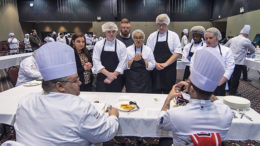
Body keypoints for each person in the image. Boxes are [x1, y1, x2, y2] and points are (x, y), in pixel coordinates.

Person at [14, 42, 119, 145]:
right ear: (59, 86)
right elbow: (105, 133)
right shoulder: (79, 107)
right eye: (75, 80)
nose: (80, 82)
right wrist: (113, 116)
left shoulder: (25, 101)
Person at [159, 48, 233, 146]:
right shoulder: (226, 112)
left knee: (164, 139)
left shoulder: (175, 114)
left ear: (192, 90)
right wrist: (196, 87)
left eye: (189, 82)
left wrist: (168, 98)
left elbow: (161, 122)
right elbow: (213, 98)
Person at [147, 14, 182, 94]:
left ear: (167, 24)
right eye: (159, 25)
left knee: (169, 92)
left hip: (169, 70)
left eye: (163, 25)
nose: (161, 27)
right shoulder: (152, 36)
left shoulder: (174, 36)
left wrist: (165, 64)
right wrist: (155, 64)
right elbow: (148, 53)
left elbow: (177, 53)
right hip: (155, 70)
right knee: (155, 93)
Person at [93, 22, 127, 92]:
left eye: (113, 31)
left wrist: (112, 76)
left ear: (116, 32)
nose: (111, 34)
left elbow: (123, 62)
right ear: (104, 32)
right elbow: (96, 61)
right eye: (109, 32)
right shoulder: (98, 45)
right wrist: (108, 74)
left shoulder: (121, 45)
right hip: (102, 77)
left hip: (116, 78)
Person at [202, 27, 235, 96]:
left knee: (218, 102)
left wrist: (220, 82)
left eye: (210, 38)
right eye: (206, 38)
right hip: (203, 81)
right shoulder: (200, 50)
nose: (208, 40)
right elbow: (193, 65)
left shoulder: (226, 50)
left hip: (220, 81)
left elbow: (230, 68)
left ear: (217, 37)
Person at [225, 25, 255, 95]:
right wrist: (248, 53)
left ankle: (228, 89)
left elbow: (225, 47)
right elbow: (253, 50)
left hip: (229, 60)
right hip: (238, 62)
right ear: (247, 34)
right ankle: (233, 92)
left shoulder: (233, 39)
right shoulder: (246, 40)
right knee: (236, 77)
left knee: (229, 75)